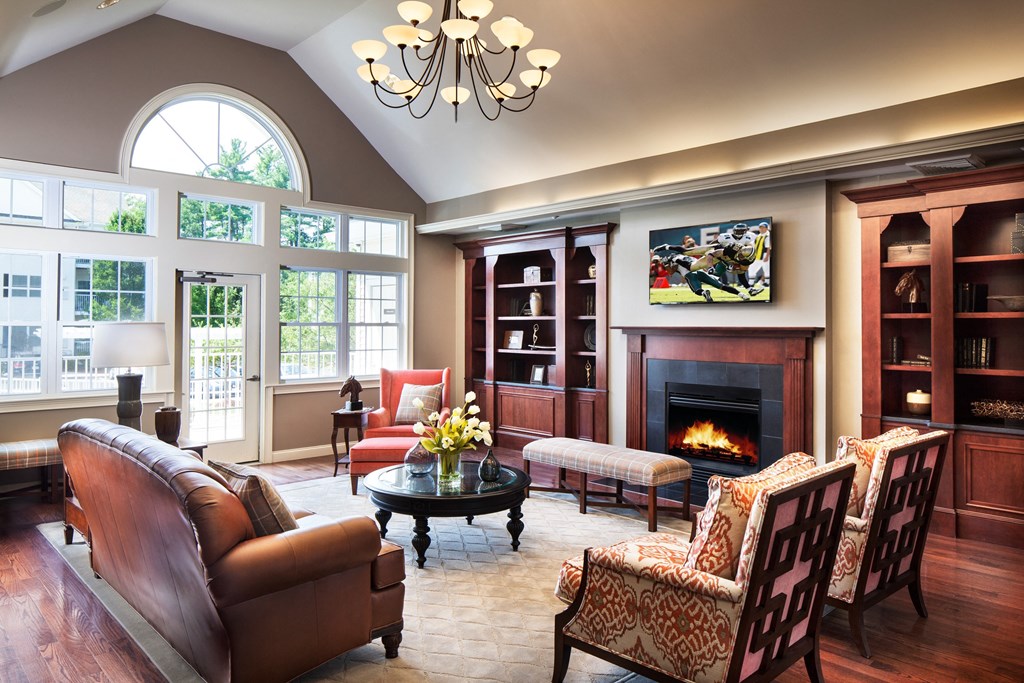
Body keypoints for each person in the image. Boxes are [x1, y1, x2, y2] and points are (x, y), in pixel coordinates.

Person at [747, 221, 771, 296]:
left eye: (763, 227)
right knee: (751, 268)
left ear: (766, 228)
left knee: (766, 268)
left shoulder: (768, 235)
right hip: (757, 255)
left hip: (764, 254)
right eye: (760, 227)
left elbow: (769, 247)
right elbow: (752, 244)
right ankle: (751, 283)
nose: (761, 229)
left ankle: (767, 282)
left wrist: (767, 256)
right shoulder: (758, 236)